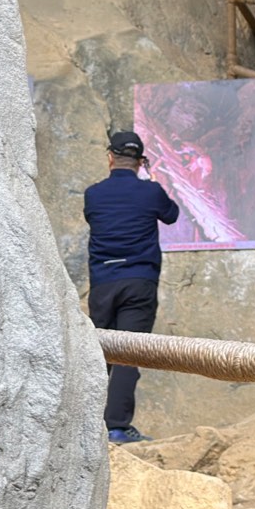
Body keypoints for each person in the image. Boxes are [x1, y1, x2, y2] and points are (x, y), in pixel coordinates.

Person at [83, 126, 180, 444]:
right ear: (140, 161)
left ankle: (86, 425)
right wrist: (151, 179)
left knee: (100, 355)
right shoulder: (150, 192)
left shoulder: (93, 194)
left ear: (110, 158)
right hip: (139, 283)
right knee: (128, 355)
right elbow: (172, 215)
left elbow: (95, 218)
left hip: (102, 284)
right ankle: (116, 427)